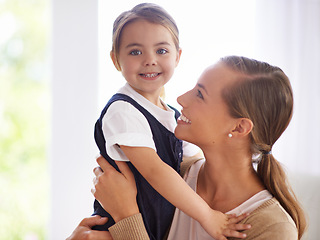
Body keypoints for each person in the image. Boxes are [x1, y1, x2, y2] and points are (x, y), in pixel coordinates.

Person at [71, 56, 307, 240]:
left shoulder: (272, 227)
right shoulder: (172, 174)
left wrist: (127, 216)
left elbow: (128, 222)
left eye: (200, 95)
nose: (182, 99)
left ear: (239, 127)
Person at [91, 3, 248, 240]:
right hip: (117, 230)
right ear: (115, 60)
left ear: (178, 56)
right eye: (135, 52)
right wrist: (207, 215)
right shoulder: (123, 110)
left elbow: (194, 164)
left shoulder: (173, 115)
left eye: (161, 51)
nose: (150, 60)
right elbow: (155, 171)